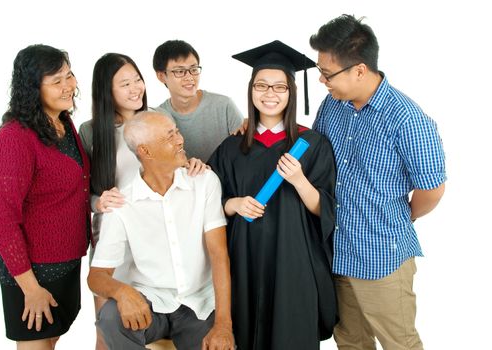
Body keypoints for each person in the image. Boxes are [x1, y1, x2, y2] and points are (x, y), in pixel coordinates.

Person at [310, 14, 446, 350]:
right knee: (351, 342)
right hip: (338, 252)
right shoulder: (333, 105)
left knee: (399, 343)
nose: (322, 81)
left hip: (382, 257)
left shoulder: (408, 120)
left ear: (359, 69)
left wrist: (403, 217)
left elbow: (432, 189)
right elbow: (312, 150)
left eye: (327, 74)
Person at [208, 40, 338, 350]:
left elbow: (325, 209)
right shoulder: (231, 148)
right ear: (250, 90)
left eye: (280, 87)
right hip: (244, 260)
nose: (270, 94)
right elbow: (206, 204)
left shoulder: (313, 144)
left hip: (293, 259)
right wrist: (233, 203)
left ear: (292, 93)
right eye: (262, 86)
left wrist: (299, 179)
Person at [78, 53, 206, 350]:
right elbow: (79, 192)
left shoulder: (159, 119)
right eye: (125, 84)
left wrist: (194, 165)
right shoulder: (91, 131)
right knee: (108, 329)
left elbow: (176, 163)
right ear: (106, 91)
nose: (136, 88)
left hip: (155, 238)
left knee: (159, 329)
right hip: (113, 239)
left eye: (137, 79)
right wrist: (97, 202)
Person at [87, 111, 235, 350]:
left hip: (199, 305)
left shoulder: (205, 182)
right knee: (110, 318)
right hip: (151, 305)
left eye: (177, 131)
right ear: (145, 152)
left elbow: (219, 257)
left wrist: (223, 326)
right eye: (169, 136)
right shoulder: (123, 202)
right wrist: (122, 291)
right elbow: (96, 277)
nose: (180, 140)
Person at [0, 44, 90, 349]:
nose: (68, 86)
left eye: (69, 76)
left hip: (66, 262)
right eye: (56, 80)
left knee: (52, 339)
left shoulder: (64, 122)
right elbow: (1, 219)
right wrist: (30, 288)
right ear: (33, 88)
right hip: (31, 273)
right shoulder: (14, 138)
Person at [153, 39, 244, 161]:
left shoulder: (224, 106)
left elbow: (245, 151)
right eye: (180, 71)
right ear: (161, 76)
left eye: (194, 69)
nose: (189, 77)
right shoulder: (159, 117)